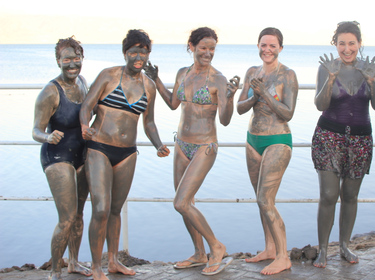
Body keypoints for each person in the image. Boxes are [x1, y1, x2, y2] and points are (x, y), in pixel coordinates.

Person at [144, 27, 239, 276]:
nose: (208, 53)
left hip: (205, 146)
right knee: (187, 203)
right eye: (204, 48)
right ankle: (198, 253)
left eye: (212, 49)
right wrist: (155, 79)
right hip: (181, 145)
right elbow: (173, 104)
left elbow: (226, 120)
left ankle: (216, 247)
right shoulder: (182, 74)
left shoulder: (218, 79)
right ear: (192, 46)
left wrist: (229, 96)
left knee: (181, 202)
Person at [79, 29, 170, 280]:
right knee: (101, 208)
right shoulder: (108, 75)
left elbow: (148, 122)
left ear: (148, 54)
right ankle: (96, 266)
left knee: (116, 210)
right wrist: (85, 126)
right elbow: (87, 105)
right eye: (133, 51)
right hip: (99, 147)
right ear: (125, 53)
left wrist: (158, 145)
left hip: (128, 153)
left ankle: (113, 261)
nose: (138, 56)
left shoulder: (149, 86)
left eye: (143, 51)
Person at [311, 21, 375, 268]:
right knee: (329, 195)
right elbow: (320, 104)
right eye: (341, 43)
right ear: (335, 45)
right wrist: (330, 79)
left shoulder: (369, 69)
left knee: (351, 196)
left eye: (351, 43)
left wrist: (372, 81)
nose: (346, 49)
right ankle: (323, 249)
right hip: (328, 137)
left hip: (360, 139)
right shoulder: (327, 67)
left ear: (359, 44)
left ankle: (344, 245)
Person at [236, 27, 298, 275]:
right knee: (260, 201)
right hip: (253, 141)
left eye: (272, 45)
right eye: (264, 45)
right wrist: (253, 97)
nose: (267, 49)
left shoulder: (288, 75)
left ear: (280, 48)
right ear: (258, 46)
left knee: (265, 199)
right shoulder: (252, 72)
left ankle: (284, 256)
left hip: (278, 140)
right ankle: (270, 249)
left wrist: (264, 94)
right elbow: (240, 108)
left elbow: (288, 112)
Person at [32, 36, 92, 280]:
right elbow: (36, 130)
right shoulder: (50, 91)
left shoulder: (83, 83)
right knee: (66, 219)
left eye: (76, 58)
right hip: (56, 157)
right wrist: (47, 137)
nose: (72, 64)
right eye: (66, 59)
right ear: (58, 61)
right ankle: (55, 272)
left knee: (78, 215)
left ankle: (74, 263)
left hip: (81, 154)